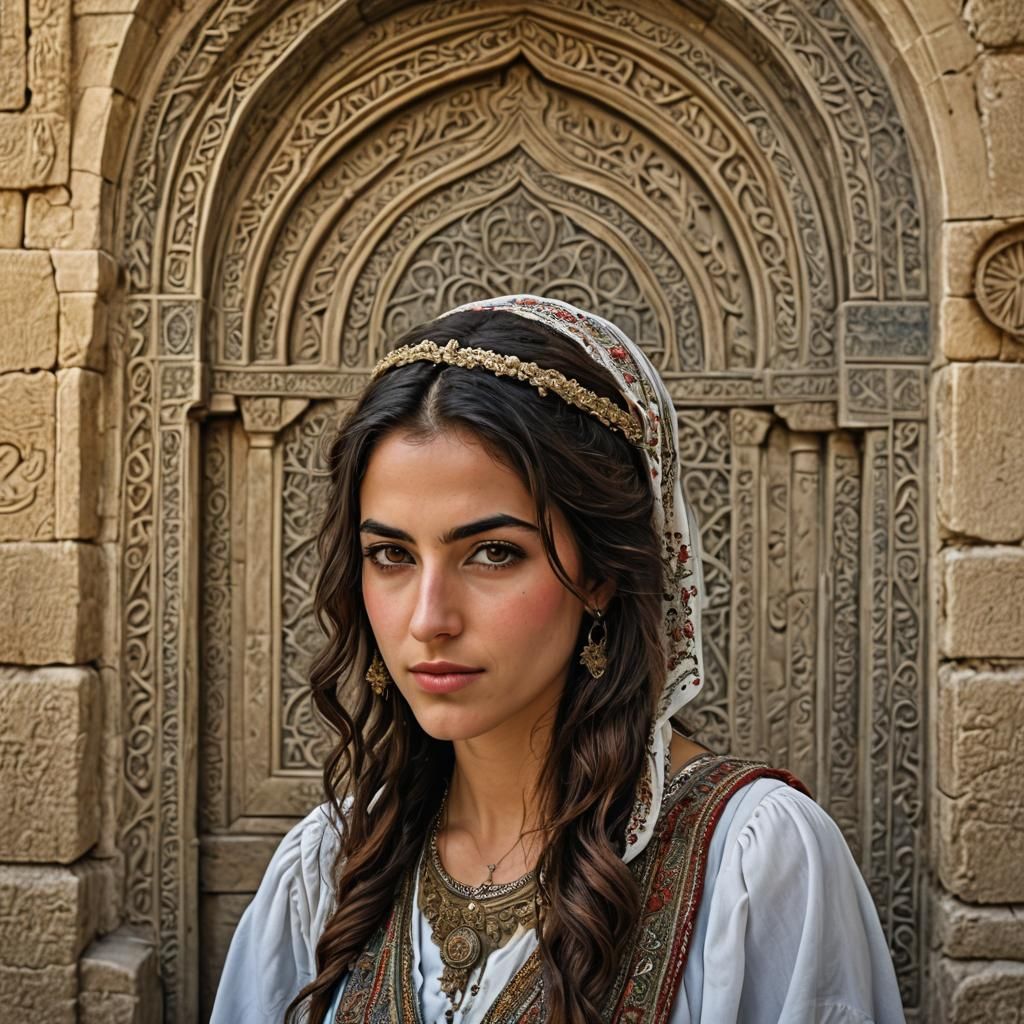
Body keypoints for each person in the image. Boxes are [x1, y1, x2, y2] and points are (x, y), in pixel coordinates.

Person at [210, 295, 905, 1024]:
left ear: (601, 572)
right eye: (391, 555)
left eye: (494, 553)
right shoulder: (331, 868)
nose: (428, 619)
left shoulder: (753, 865)